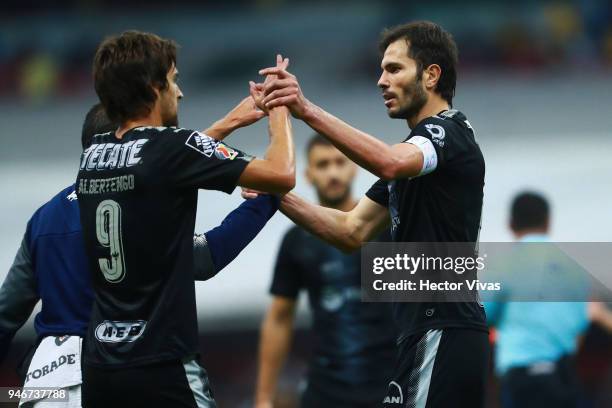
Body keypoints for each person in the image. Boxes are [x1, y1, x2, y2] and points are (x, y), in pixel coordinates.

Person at [251, 21, 488, 407]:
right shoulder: (413, 156)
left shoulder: (448, 133)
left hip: (444, 327)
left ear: (431, 75)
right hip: (425, 331)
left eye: (394, 69)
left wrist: (305, 109)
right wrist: (277, 195)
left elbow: (389, 163)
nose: (381, 80)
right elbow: (351, 230)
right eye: (381, 70)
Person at [0, 101, 280, 407]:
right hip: (121, 365)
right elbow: (205, 256)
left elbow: (6, 313)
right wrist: (265, 201)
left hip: (47, 382)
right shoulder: (137, 210)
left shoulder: (43, 218)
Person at [77, 31, 295, 407]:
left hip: (100, 366)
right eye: (174, 80)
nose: (180, 92)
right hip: (162, 363)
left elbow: (159, 164)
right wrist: (279, 109)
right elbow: (281, 173)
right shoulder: (172, 150)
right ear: (152, 86)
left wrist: (228, 122)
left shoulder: (92, 157)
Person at [254, 135, 396, 408]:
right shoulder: (297, 240)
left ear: (354, 167)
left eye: (339, 162)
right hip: (326, 389)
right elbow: (279, 318)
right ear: (308, 174)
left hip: (391, 383)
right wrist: (263, 398)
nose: (332, 172)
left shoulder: (389, 227)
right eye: (322, 165)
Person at [484, 192, 590, 408]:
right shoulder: (575, 268)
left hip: (523, 378)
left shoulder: (504, 264)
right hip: (563, 376)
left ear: (510, 223)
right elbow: (580, 325)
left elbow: (481, 315)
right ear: (548, 221)